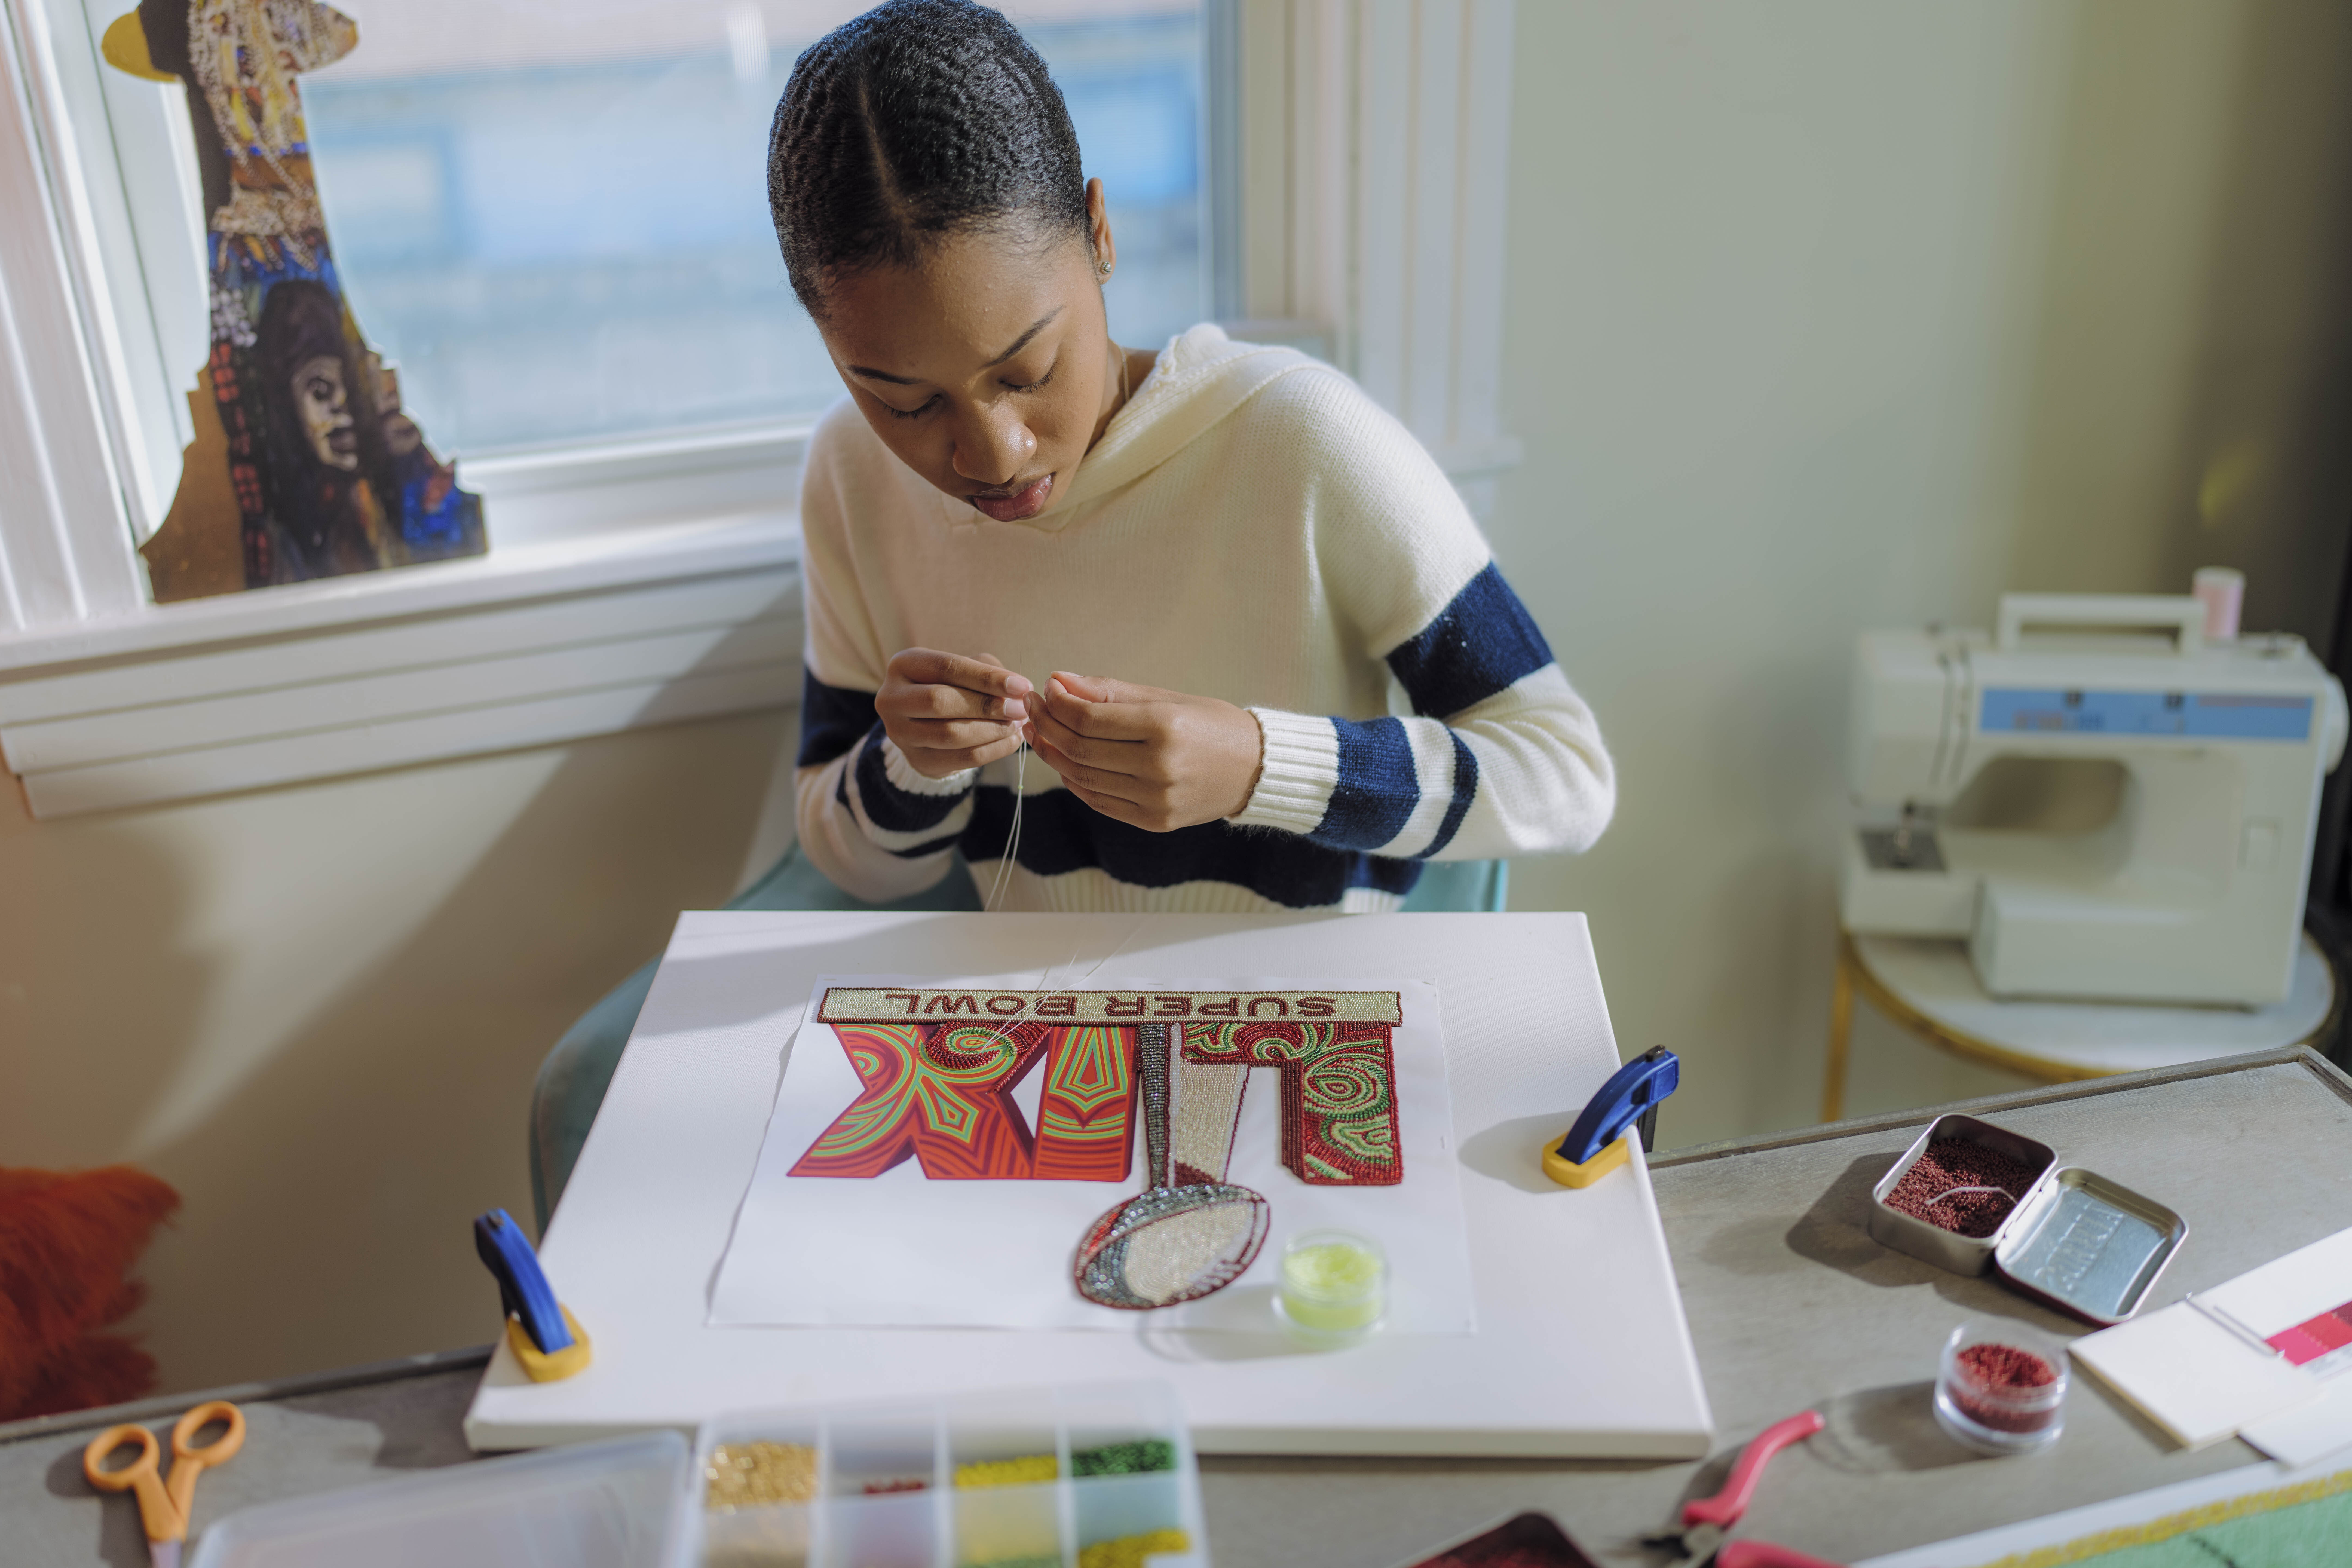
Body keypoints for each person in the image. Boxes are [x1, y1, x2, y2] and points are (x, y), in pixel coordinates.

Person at [775, 0, 1613, 913]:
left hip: (1313, 1028)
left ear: (1100, 231)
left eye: (1028, 371)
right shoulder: (851, 476)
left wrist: (1263, 766)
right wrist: (910, 767)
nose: (993, 454)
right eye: (907, 402)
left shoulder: (1301, 440)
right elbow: (855, 866)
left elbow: (1566, 777)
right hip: (1041, 1035)